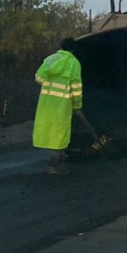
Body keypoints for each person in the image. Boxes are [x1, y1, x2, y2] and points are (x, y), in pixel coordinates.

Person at [33, 37, 83, 175]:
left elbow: (38, 78)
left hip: (47, 103)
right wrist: (77, 105)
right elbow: (76, 88)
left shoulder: (50, 59)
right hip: (63, 105)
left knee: (50, 131)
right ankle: (55, 166)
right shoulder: (74, 63)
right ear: (73, 49)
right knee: (60, 133)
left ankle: (54, 164)